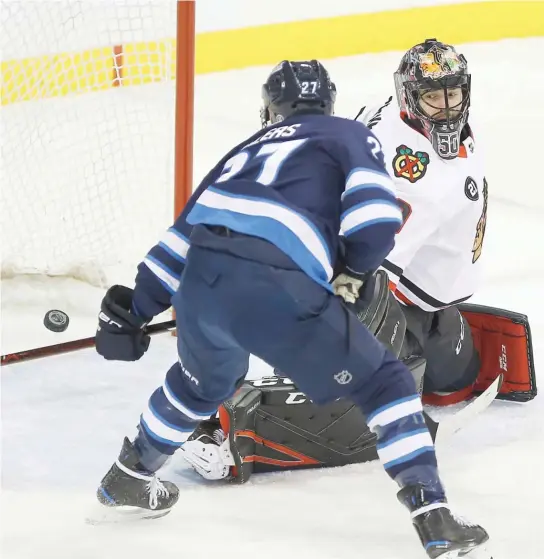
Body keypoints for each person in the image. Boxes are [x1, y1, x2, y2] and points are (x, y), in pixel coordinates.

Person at [94, 59, 490, 558]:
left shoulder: (241, 152)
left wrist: (135, 311)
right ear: (326, 103)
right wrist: (355, 272)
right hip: (276, 284)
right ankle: (433, 518)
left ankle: (128, 476)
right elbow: (375, 218)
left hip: (201, 285)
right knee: (385, 383)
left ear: (272, 109)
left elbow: (175, 245)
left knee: (201, 385)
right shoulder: (349, 135)